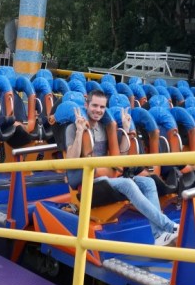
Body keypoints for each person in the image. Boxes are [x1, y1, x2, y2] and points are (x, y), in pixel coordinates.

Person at [65, 90, 179, 246]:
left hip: (108, 179)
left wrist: (125, 130)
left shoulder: (105, 127)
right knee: (127, 183)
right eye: (94, 106)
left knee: (149, 182)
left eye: (102, 107)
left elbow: (120, 156)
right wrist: (79, 133)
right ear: (86, 105)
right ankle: (169, 226)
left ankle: (159, 235)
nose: (98, 110)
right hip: (88, 182)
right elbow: (70, 160)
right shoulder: (72, 128)